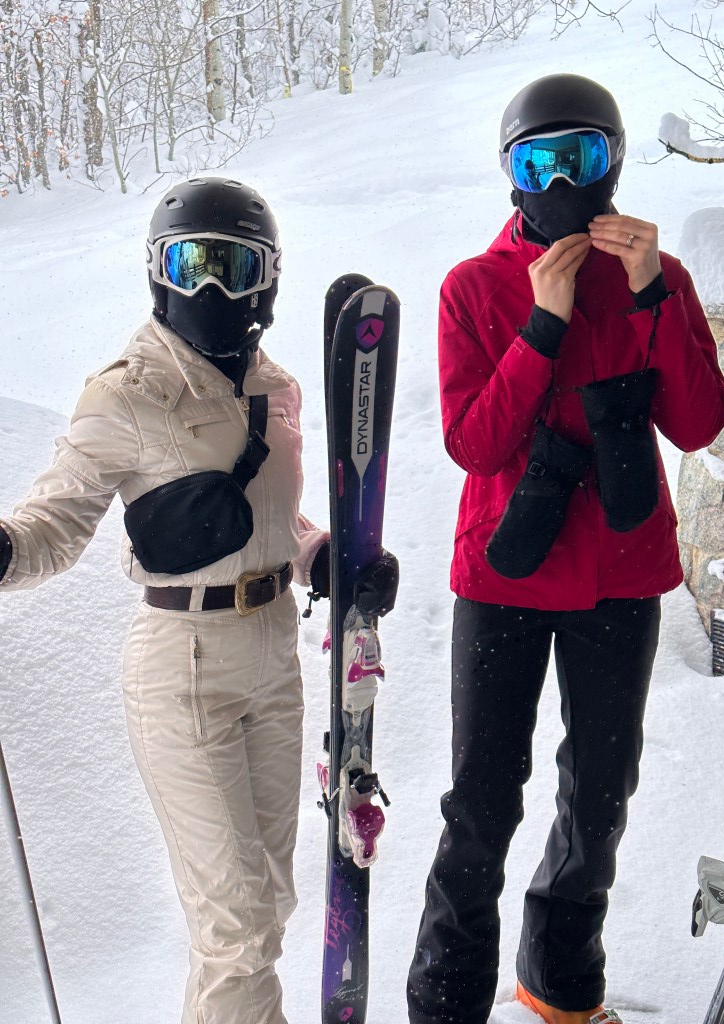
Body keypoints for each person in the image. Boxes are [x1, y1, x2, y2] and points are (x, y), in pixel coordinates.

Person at [0, 176, 397, 1024]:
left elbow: (274, 524)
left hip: (274, 654)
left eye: (232, 265)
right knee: (237, 923)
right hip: (181, 667)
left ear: (268, 277)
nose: (210, 287)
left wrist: (326, 558)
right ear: (158, 271)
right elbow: (58, 517)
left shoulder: (277, 389)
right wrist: (5, 549)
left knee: (271, 905)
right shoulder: (124, 392)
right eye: (191, 263)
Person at [406, 75, 724, 1024]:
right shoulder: (473, 285)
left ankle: (560, 988)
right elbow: (475, 444)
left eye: (576, 158)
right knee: (481, 806)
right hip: (504, 574)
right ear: (508, 175)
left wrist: (650, 295)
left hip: (619, 575)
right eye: (533, 162)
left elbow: (701, 423)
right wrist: (541, 326)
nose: (557, 181)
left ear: (612, 162)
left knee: (598, 800)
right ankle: (447, 1003)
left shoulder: (658, 278)